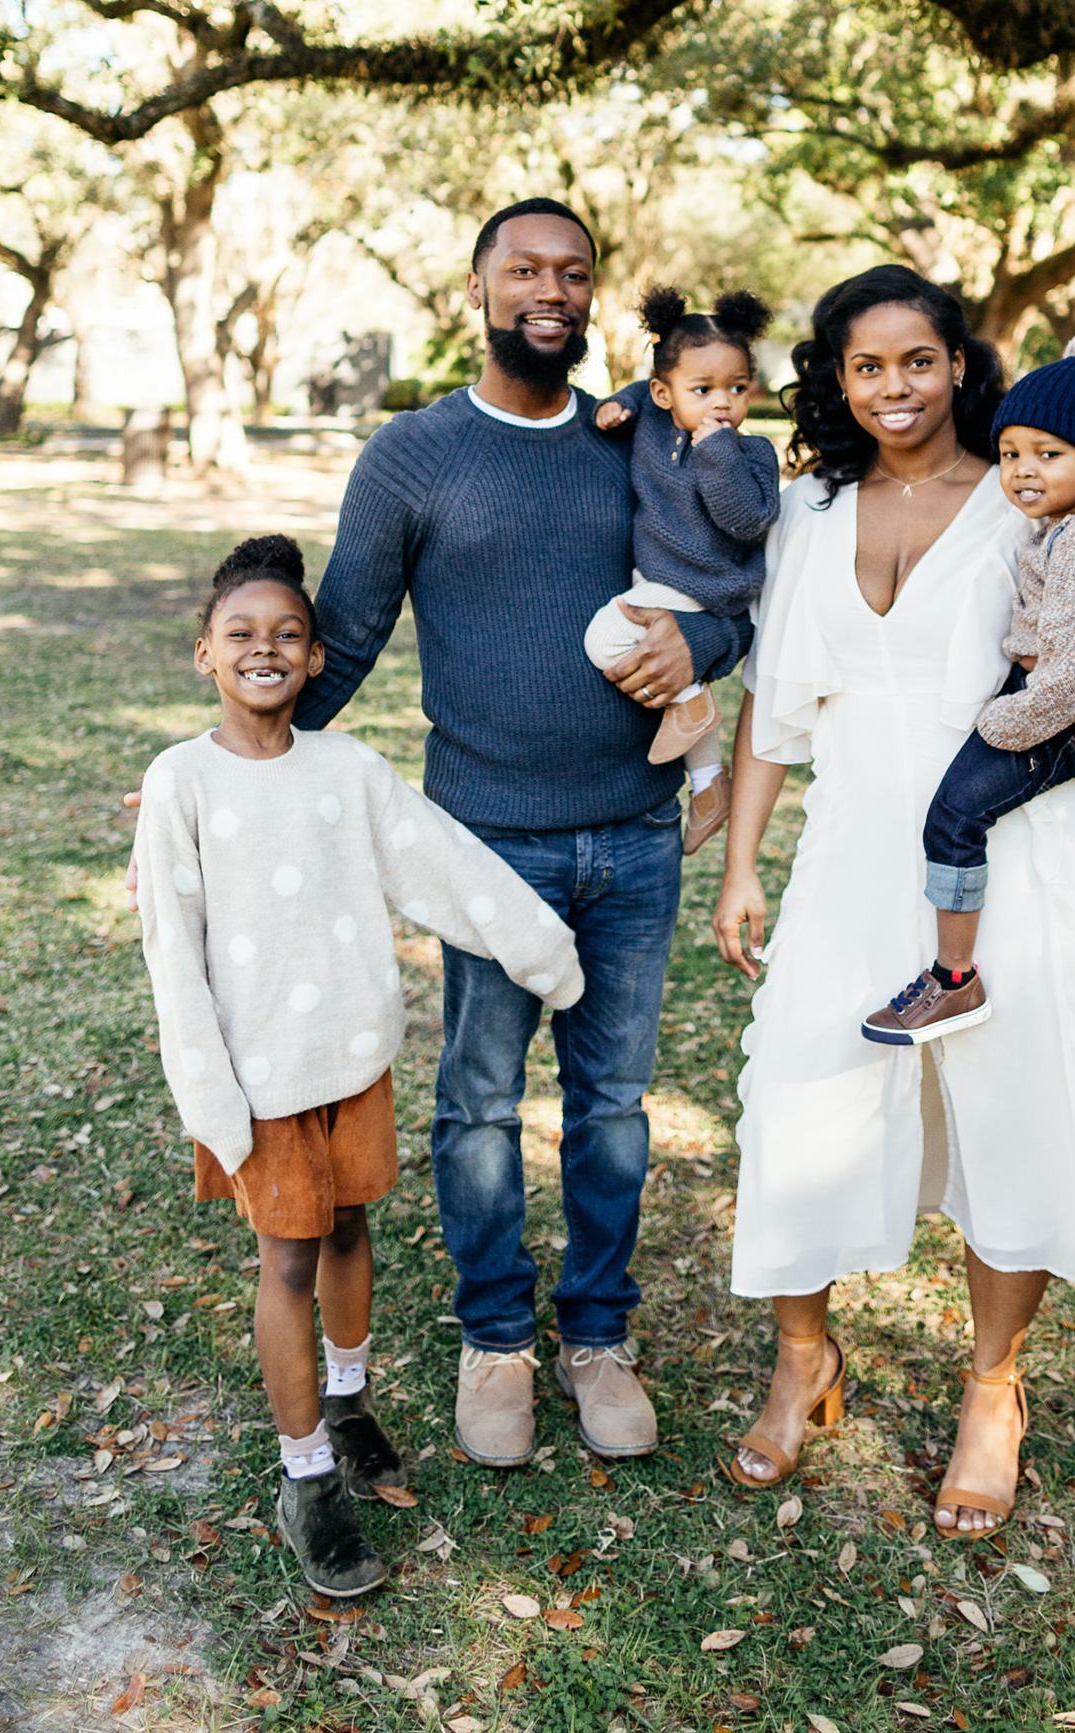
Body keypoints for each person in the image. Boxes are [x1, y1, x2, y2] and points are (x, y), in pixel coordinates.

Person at [713, 266, 1075, 1539]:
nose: (895, 386)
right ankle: (803, 1357)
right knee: (800, 1092)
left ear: (959, 365)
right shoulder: (809, 509)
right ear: (838, 378)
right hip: (852, 841)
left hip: (1018, 845)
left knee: (1010, 1109)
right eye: (867, 365)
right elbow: (772, 700)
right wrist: (743, 861)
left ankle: (993, 1388)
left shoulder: (1035, 496)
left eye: (918, 359)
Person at [289, 199, 753, 1467]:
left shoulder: (639, 438)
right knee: (480, 1103)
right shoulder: (412, 455)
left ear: (593, 294)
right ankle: (495, 1337)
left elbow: (728, 587)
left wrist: (700, 643)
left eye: (573, 272)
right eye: (524, 270)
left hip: (637, 839)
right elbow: (344, 637)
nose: (550, 290)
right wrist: (220, 769)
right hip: (484, 845)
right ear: (478, 289)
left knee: (612, 1105)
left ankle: (597, 1335)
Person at [133, 535, 583, 1597]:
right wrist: (208, 1092)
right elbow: (171, 949)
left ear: (316, 656)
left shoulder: (347, 769)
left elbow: (444, 863)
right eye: (241, 632)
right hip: (260, 1079)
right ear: (205, 652)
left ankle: (347, 1398)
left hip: (350, 1060)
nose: (265, 648)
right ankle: (305, 1476)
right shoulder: (181, 780)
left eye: (287, 633)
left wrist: (539, 946)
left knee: (346, 1228)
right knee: (287, 1260)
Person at [861, 334, 1075, 1045]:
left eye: (1048, 454)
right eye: (1010, 454)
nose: (1022, 470)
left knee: (953, 818)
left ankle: (953, 978)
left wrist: (1006, 719)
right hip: (1065, 700)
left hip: (1067, 715)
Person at [589, 285, 780, 854]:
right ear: (664, 393)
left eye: (737, 389)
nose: (722, 403)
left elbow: (746, 521)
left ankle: (693, 702)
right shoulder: (651, 417)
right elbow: (642, 392)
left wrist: (717, 451)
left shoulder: (751, 453)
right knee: (661, 668)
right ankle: (707, 784)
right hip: (661, 581)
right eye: (703, 390)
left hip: (709, 585)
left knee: (605, 639)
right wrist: (618, 403)